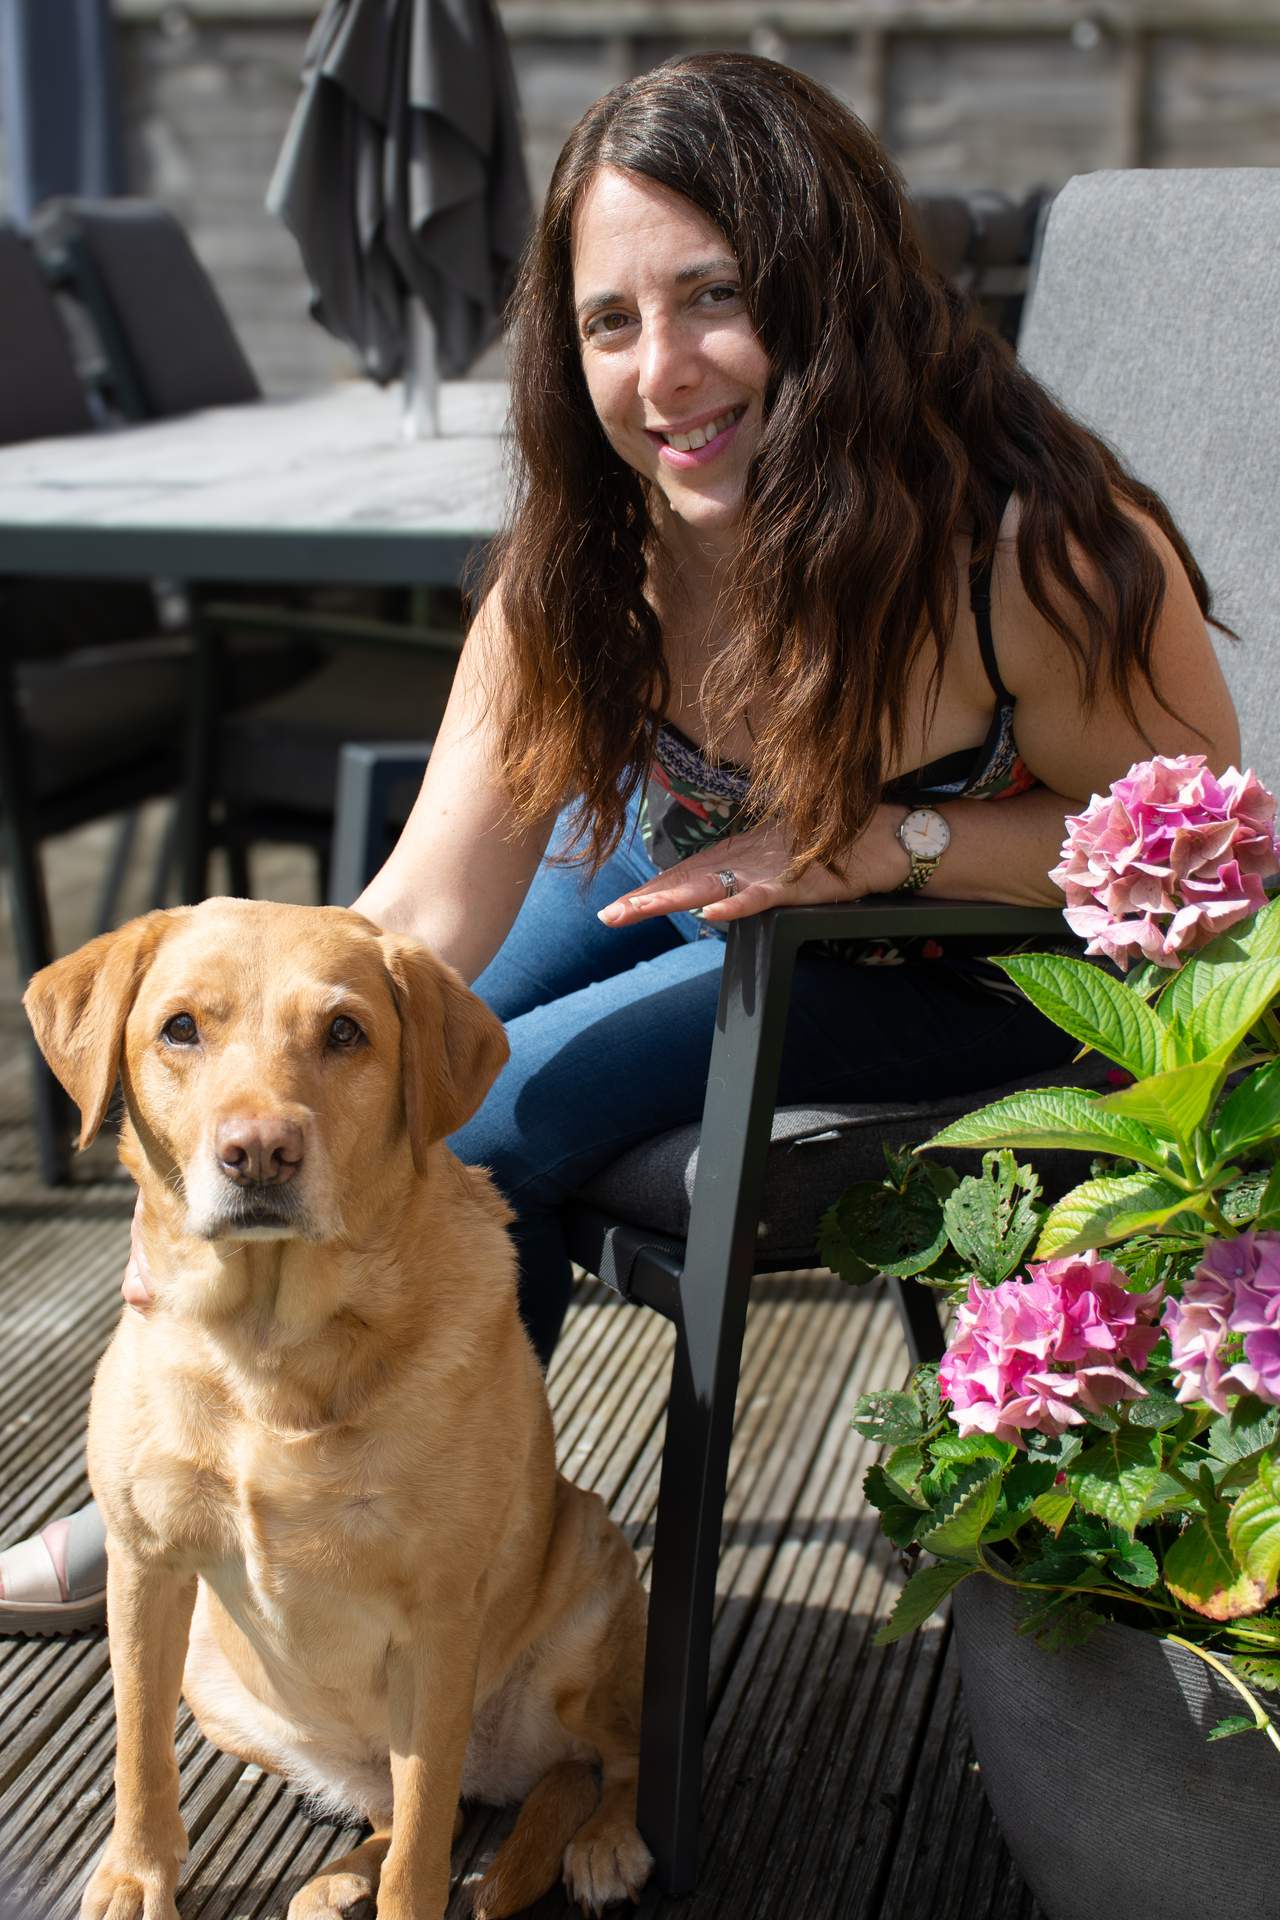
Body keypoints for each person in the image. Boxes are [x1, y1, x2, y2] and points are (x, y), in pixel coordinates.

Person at [0, 52, 1239, 1632]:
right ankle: (202, 1500)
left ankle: (414, 1590)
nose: (662, 374)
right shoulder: (583, 565)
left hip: (963, 956)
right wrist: (203, 1126)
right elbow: (414, 918)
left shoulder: (1032, 555)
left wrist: (890, 837)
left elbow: (1202, 871)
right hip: (699, 873)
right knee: (381, 1066)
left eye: (714, 295)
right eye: (608, 321)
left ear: (830, 289)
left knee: (480, 1120)